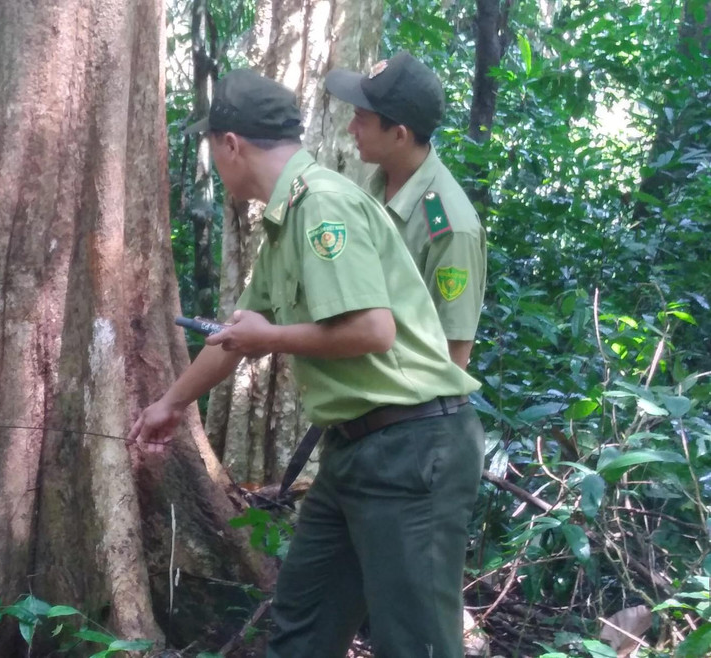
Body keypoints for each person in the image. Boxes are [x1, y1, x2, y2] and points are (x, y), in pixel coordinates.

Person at [131, 69, 484, 658]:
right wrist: (169, 404)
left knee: (417, 643)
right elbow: (237, 334)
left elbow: (372, 330)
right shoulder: (287, 217)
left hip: (413, 448)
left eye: (212, 149)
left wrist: (271, 338)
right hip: (357, 451)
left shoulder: (322, 204)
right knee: (303, 627)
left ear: (231, 144)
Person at [324, 51, 486, 369]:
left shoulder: (450, 227)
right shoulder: (373, 188)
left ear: (399, 135)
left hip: (406, 412)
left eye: (362, 118)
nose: (351, 128)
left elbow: (453, 358)